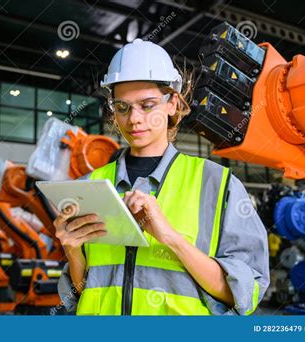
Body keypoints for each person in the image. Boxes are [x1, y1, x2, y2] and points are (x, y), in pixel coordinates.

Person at [54, 38, 269, 315]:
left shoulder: (217, 185)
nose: (134, 119)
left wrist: (170, 238)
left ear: (172, 103)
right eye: (123, 107)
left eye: (147, 105)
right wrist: (72, 251)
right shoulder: (90, 186)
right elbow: (84, 290)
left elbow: (243, 295)